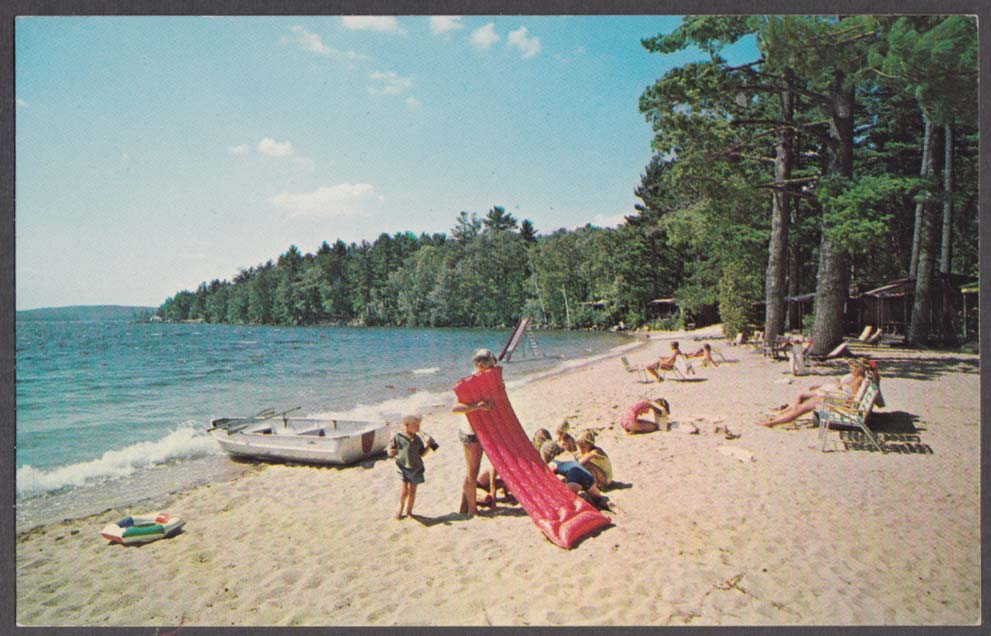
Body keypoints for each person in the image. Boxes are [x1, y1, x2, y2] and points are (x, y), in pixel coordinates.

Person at [451, 348, 499, 518]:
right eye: (489, 365)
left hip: (482, 431)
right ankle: (472, 510)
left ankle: (464, 506)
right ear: (480, 364)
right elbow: (455, 408)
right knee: (472, 471)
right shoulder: (469, 384)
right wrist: (477, 406)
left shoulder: (488, 379)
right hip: (470, 433)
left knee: (473, 471)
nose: (492, 368)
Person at [757, 358, 868, 427]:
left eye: (855, 367)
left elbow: (851, 399)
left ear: (860, 369)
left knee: (799, 410)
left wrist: (837, 393)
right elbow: (845, 389)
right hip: (831, 396)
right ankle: (776, 419)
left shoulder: (859, 380)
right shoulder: (855, 377)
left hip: (833, 399)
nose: (852, 368)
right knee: (801, 406)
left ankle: (772, 422)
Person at [386, 414, 436, 519]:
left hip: (416, 468)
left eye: (419, 425)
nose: (418, 427)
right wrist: (392, 452)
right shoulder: (399, 437)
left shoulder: (417, 439)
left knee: (413, 490)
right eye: (415, 425)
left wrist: (428, 446)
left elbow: (421, 454)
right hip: (403, 467)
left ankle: (409, 511)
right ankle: (400, 508)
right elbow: (390, 451)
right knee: (404, 491)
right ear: (406, 425)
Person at [539, 440, 609, 508]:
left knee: (567, 504)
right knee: (599, 501)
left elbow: (546, 477)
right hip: (587, 475)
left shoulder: (553, 463)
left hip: (574, 478)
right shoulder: (568, 454)